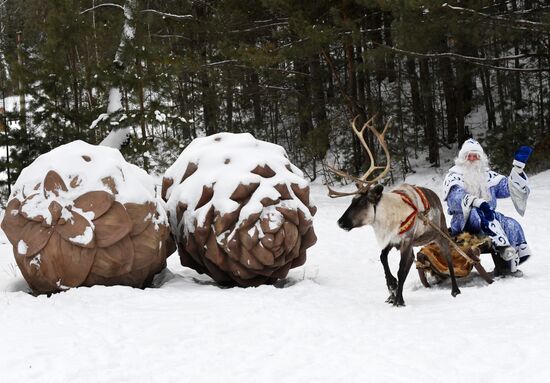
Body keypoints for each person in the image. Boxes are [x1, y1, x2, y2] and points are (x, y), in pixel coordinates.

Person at [443, 139, 533, 277]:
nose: (472, 159)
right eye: (469, 156)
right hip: (464, 221)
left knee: (511, 224)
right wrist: (476, 203)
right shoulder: (454, 176)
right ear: (463, 158)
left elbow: (508, 187)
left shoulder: (488, 176)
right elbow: (455, 198)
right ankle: (502, 247)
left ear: (481, 158)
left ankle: (507, 265)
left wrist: (517, 170)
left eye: (476, 156)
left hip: (489, 216)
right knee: (476, 214)